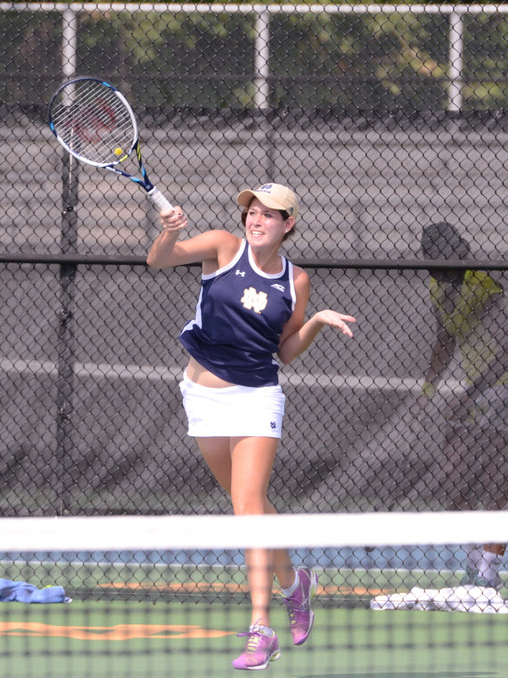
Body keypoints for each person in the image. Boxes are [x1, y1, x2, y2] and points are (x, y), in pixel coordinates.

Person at [146, 183, 356, 671]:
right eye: (252, 212)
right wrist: (168, 232)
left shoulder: (296, 280)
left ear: (288, 224)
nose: (256, 220)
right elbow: (159, 260)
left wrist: (316, 321)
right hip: (202, 397)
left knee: (246, 509)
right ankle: (296, 585)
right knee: (252, 505)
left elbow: (286, 350)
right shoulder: (222, 246)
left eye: (268, 214)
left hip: (257, 396)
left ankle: (262, 629)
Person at [415, 221, 508, 591]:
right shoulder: (438, 288)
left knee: (496, 480)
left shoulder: (482, 285)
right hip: (477, 391)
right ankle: (475, 564)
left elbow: (507, 349)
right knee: (452, 477)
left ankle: (489, 570)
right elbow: (445, 340)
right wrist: (427, 393)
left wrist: (472, 394)